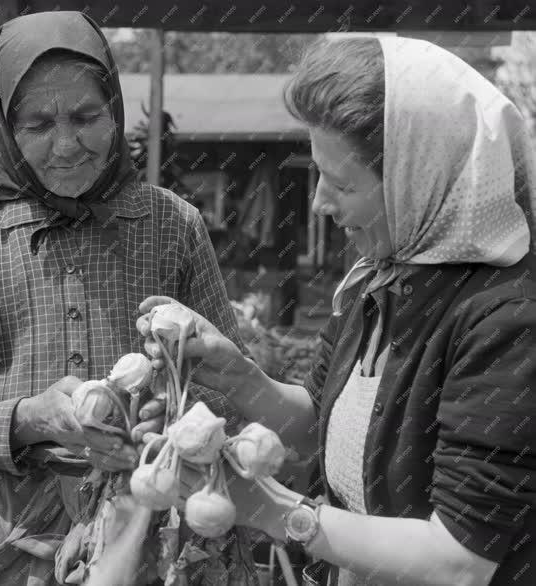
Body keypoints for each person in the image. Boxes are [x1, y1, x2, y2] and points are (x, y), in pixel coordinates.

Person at [138, 36, 536, 586]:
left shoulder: (507, 322)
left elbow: (459, 560)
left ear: (418, 185)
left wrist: (274, 511)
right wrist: (238, 375)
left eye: (342, 183)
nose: (320, 202)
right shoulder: (379, 281)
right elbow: (316, 423)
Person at [0, 11, 255, 586]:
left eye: (87, 116)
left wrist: (169, 412)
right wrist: (29, 419)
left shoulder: (173, 227)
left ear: (114, 111)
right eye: (38, 124)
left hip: (144, 528)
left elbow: (235, 392)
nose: (66, 145)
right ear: (5, 132)